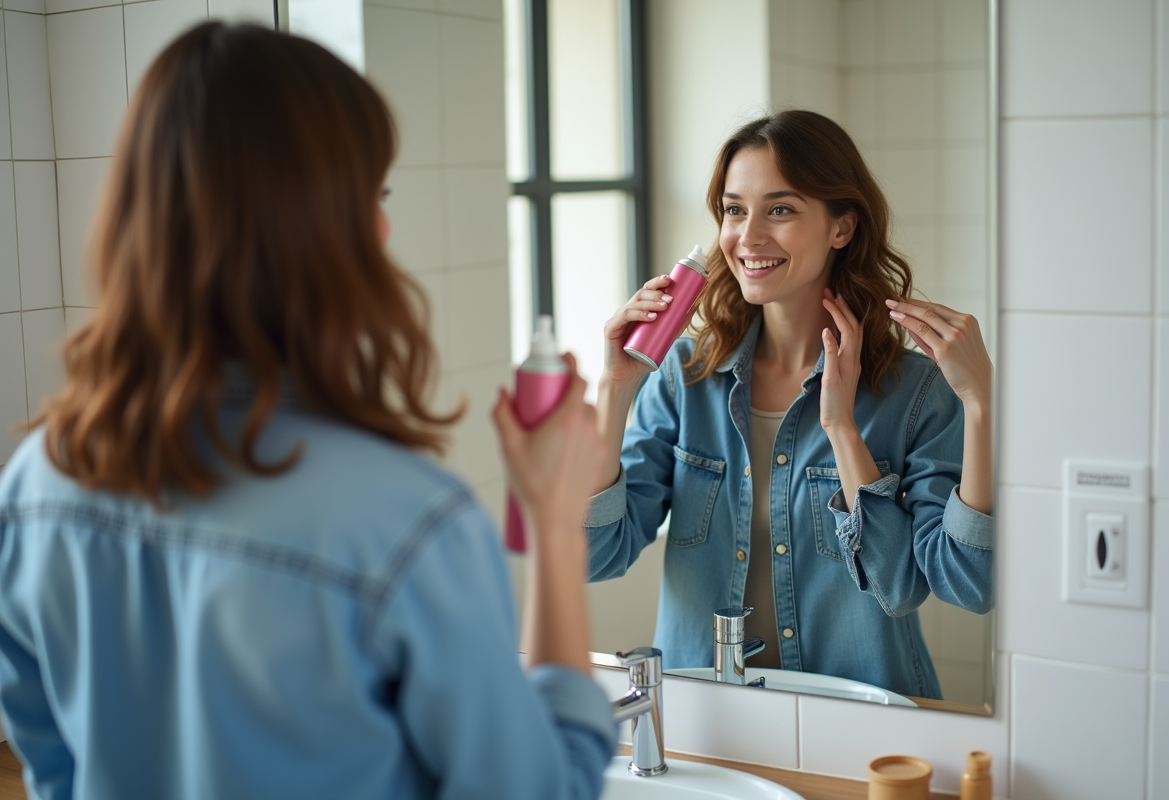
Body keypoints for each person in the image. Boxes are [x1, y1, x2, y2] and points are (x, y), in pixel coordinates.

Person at [0, 23, 615, 800]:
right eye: (373, 194)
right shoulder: (402, 523)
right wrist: (556, 528)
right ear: (314, 221)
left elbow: (57, 770)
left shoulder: (35, 483)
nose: (384, 225)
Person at [585, 110, 994, 699]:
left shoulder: (914, 391)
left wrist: (965, 405)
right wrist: (614, 391)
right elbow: (596, 556)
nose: (748, 237)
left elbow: (963, 584)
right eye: (734, 209)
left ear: (841, 228)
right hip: (710, 720)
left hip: (861, 723)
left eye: (780, 209)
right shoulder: (684, 377)